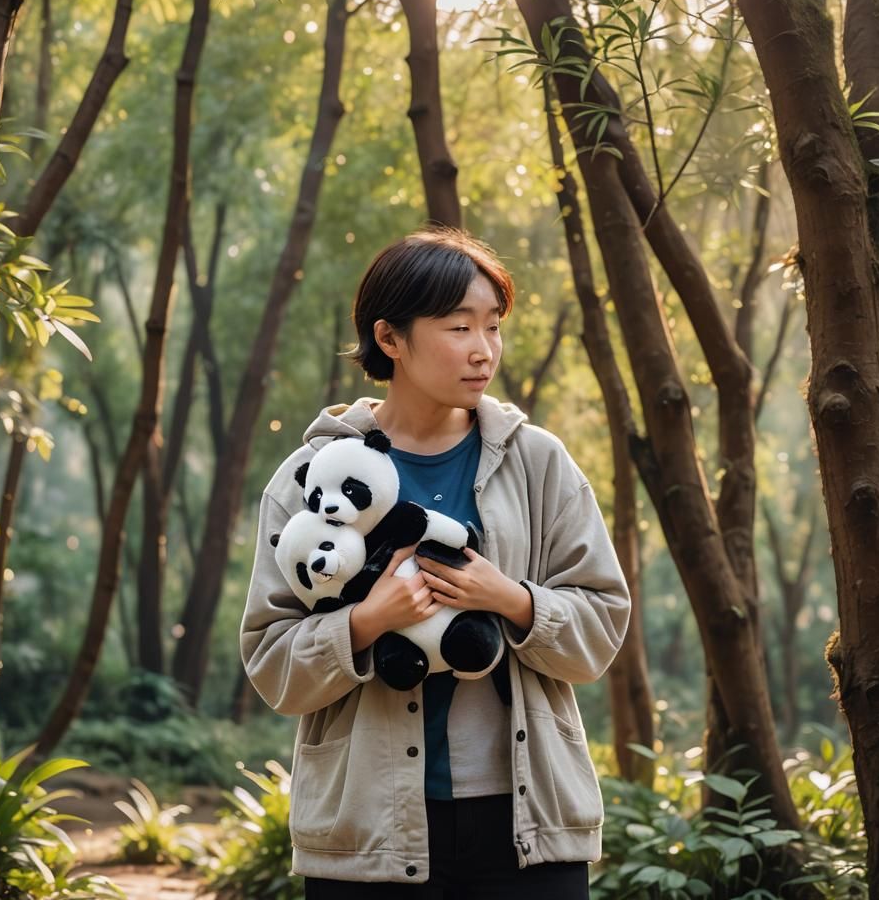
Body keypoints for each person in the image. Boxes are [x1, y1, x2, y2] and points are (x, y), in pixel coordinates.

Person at [240, 226, 631, 898]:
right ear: (389, 338)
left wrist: (509, 598)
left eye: (493, 326)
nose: (483, 351)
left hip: (527, 827)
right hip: (368, 832)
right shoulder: (311, 477)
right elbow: (273, 666)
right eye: (459, 327)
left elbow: (600, 630)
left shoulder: (538, 464)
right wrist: (364, 622)